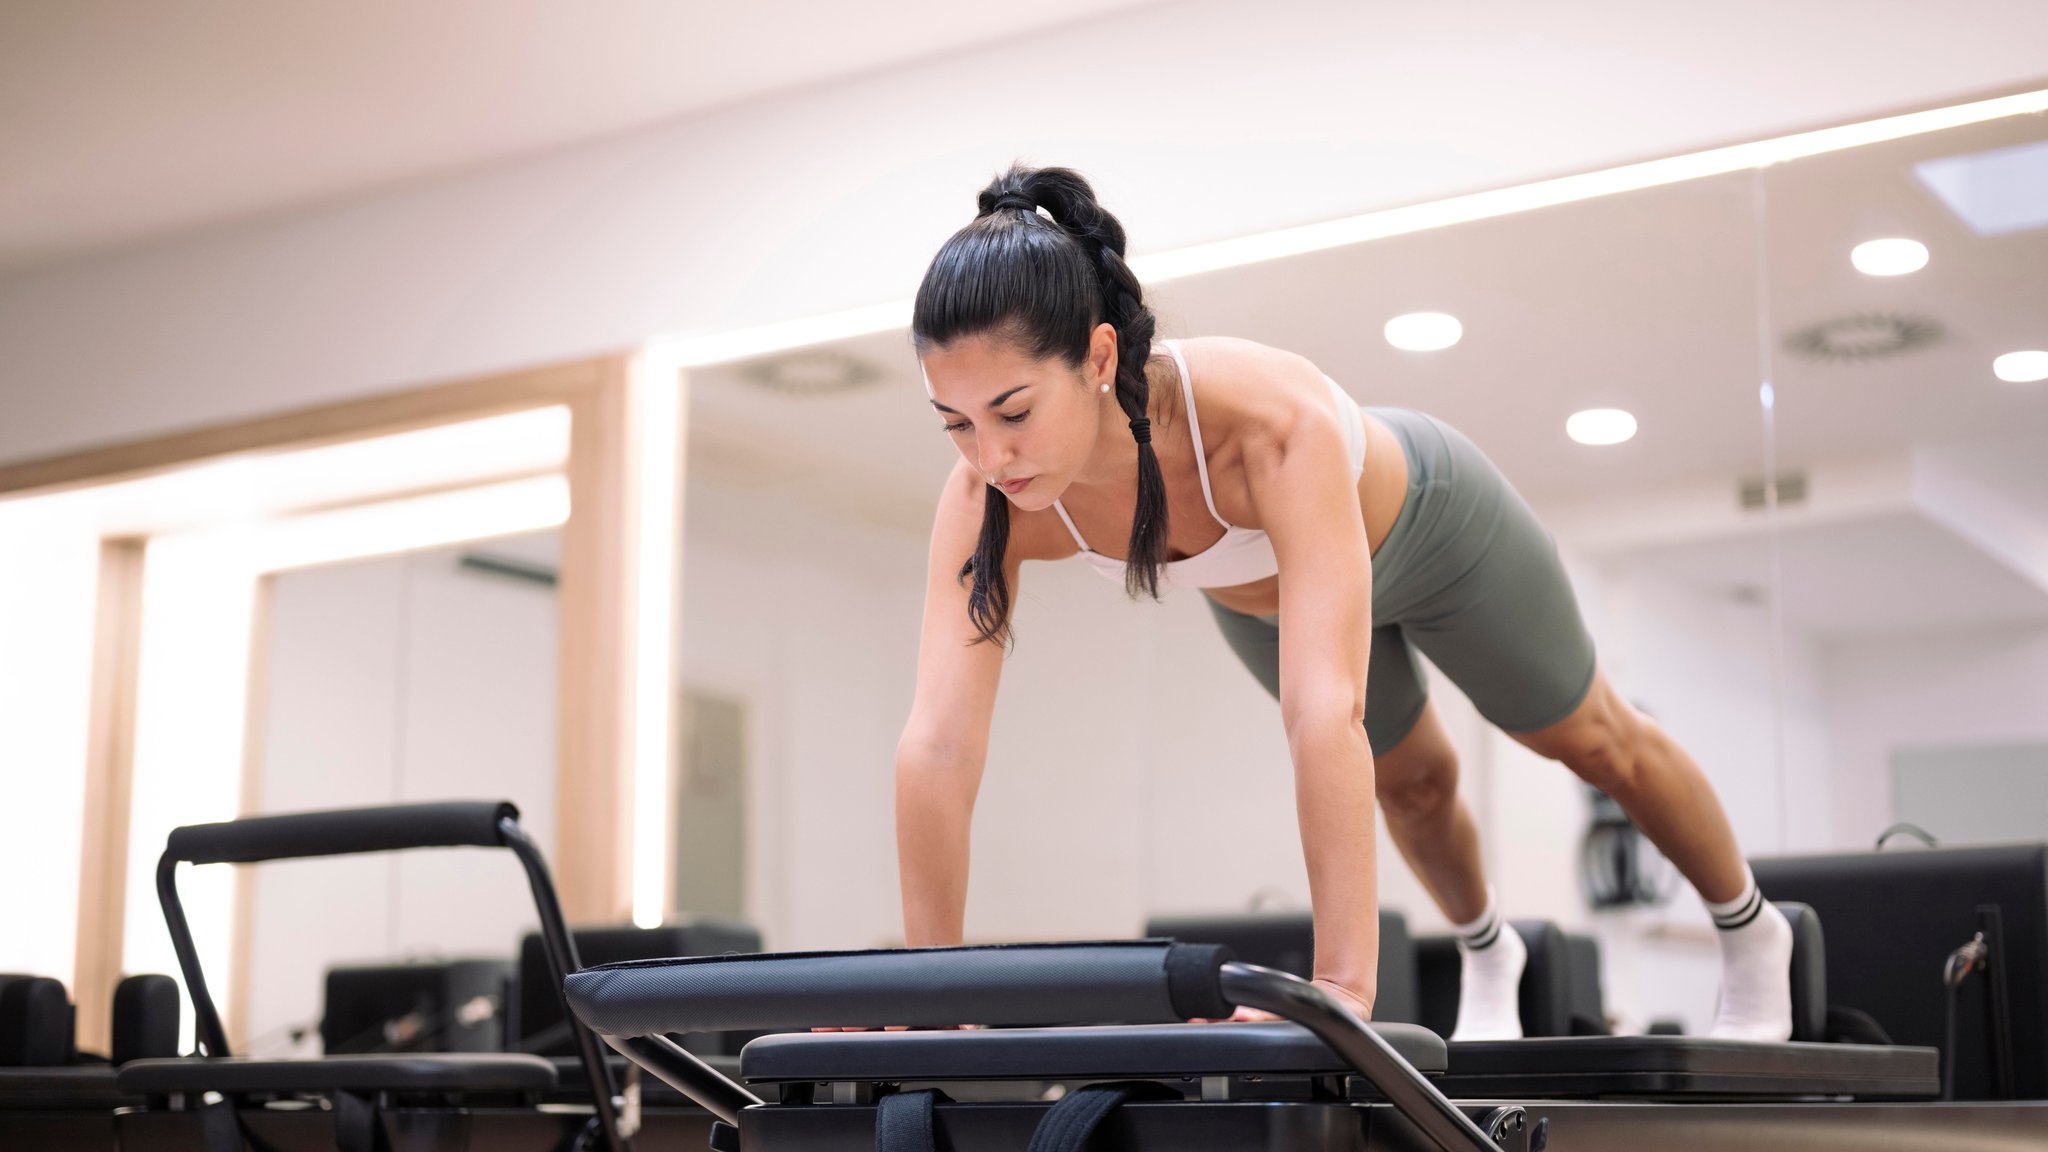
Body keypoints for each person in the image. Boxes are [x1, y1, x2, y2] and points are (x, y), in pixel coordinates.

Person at [892, 164, 1792, 1041]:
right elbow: (940, 742)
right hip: (1263, 597)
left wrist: (1339, 990)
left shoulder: (1266, 424)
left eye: (1012, 412)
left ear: (1097, 356)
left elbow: (1324, 709)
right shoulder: (986, 505)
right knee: (1417, 785)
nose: (990, 457)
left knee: (1588, 739)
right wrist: (930, 992)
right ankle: (1488, 952)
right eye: (956, 423)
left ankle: (1753, 930)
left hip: (1431, 529)